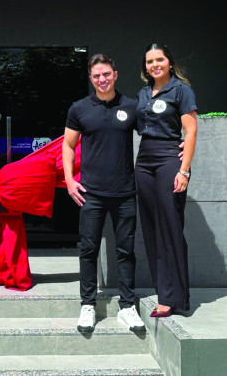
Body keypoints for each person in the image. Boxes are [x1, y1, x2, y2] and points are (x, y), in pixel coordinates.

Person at [62, 54, 145, 334]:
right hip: (91, 194)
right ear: (91, 78)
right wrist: (69, 180)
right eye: (97, 75)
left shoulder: (131, 106)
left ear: (115, 74)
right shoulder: (79, 109)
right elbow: (69, 146)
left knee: (125, 251)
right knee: (88, 250)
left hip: (124, 192)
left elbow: (152, 136)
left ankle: (127, 307)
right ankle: (88, 305)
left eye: (107, 74)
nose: (102, 79)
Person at [135, 43, 197, 317]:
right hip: (144, 161)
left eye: (159, 59)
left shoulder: (181, 90)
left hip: (168, 160)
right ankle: (165, 290)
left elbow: (191, 130)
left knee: (170, 227)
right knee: (151, 229)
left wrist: (183, 170)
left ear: (170, 62)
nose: (154, 65)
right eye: (150, 61)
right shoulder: (143, 93)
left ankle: (174, 298)